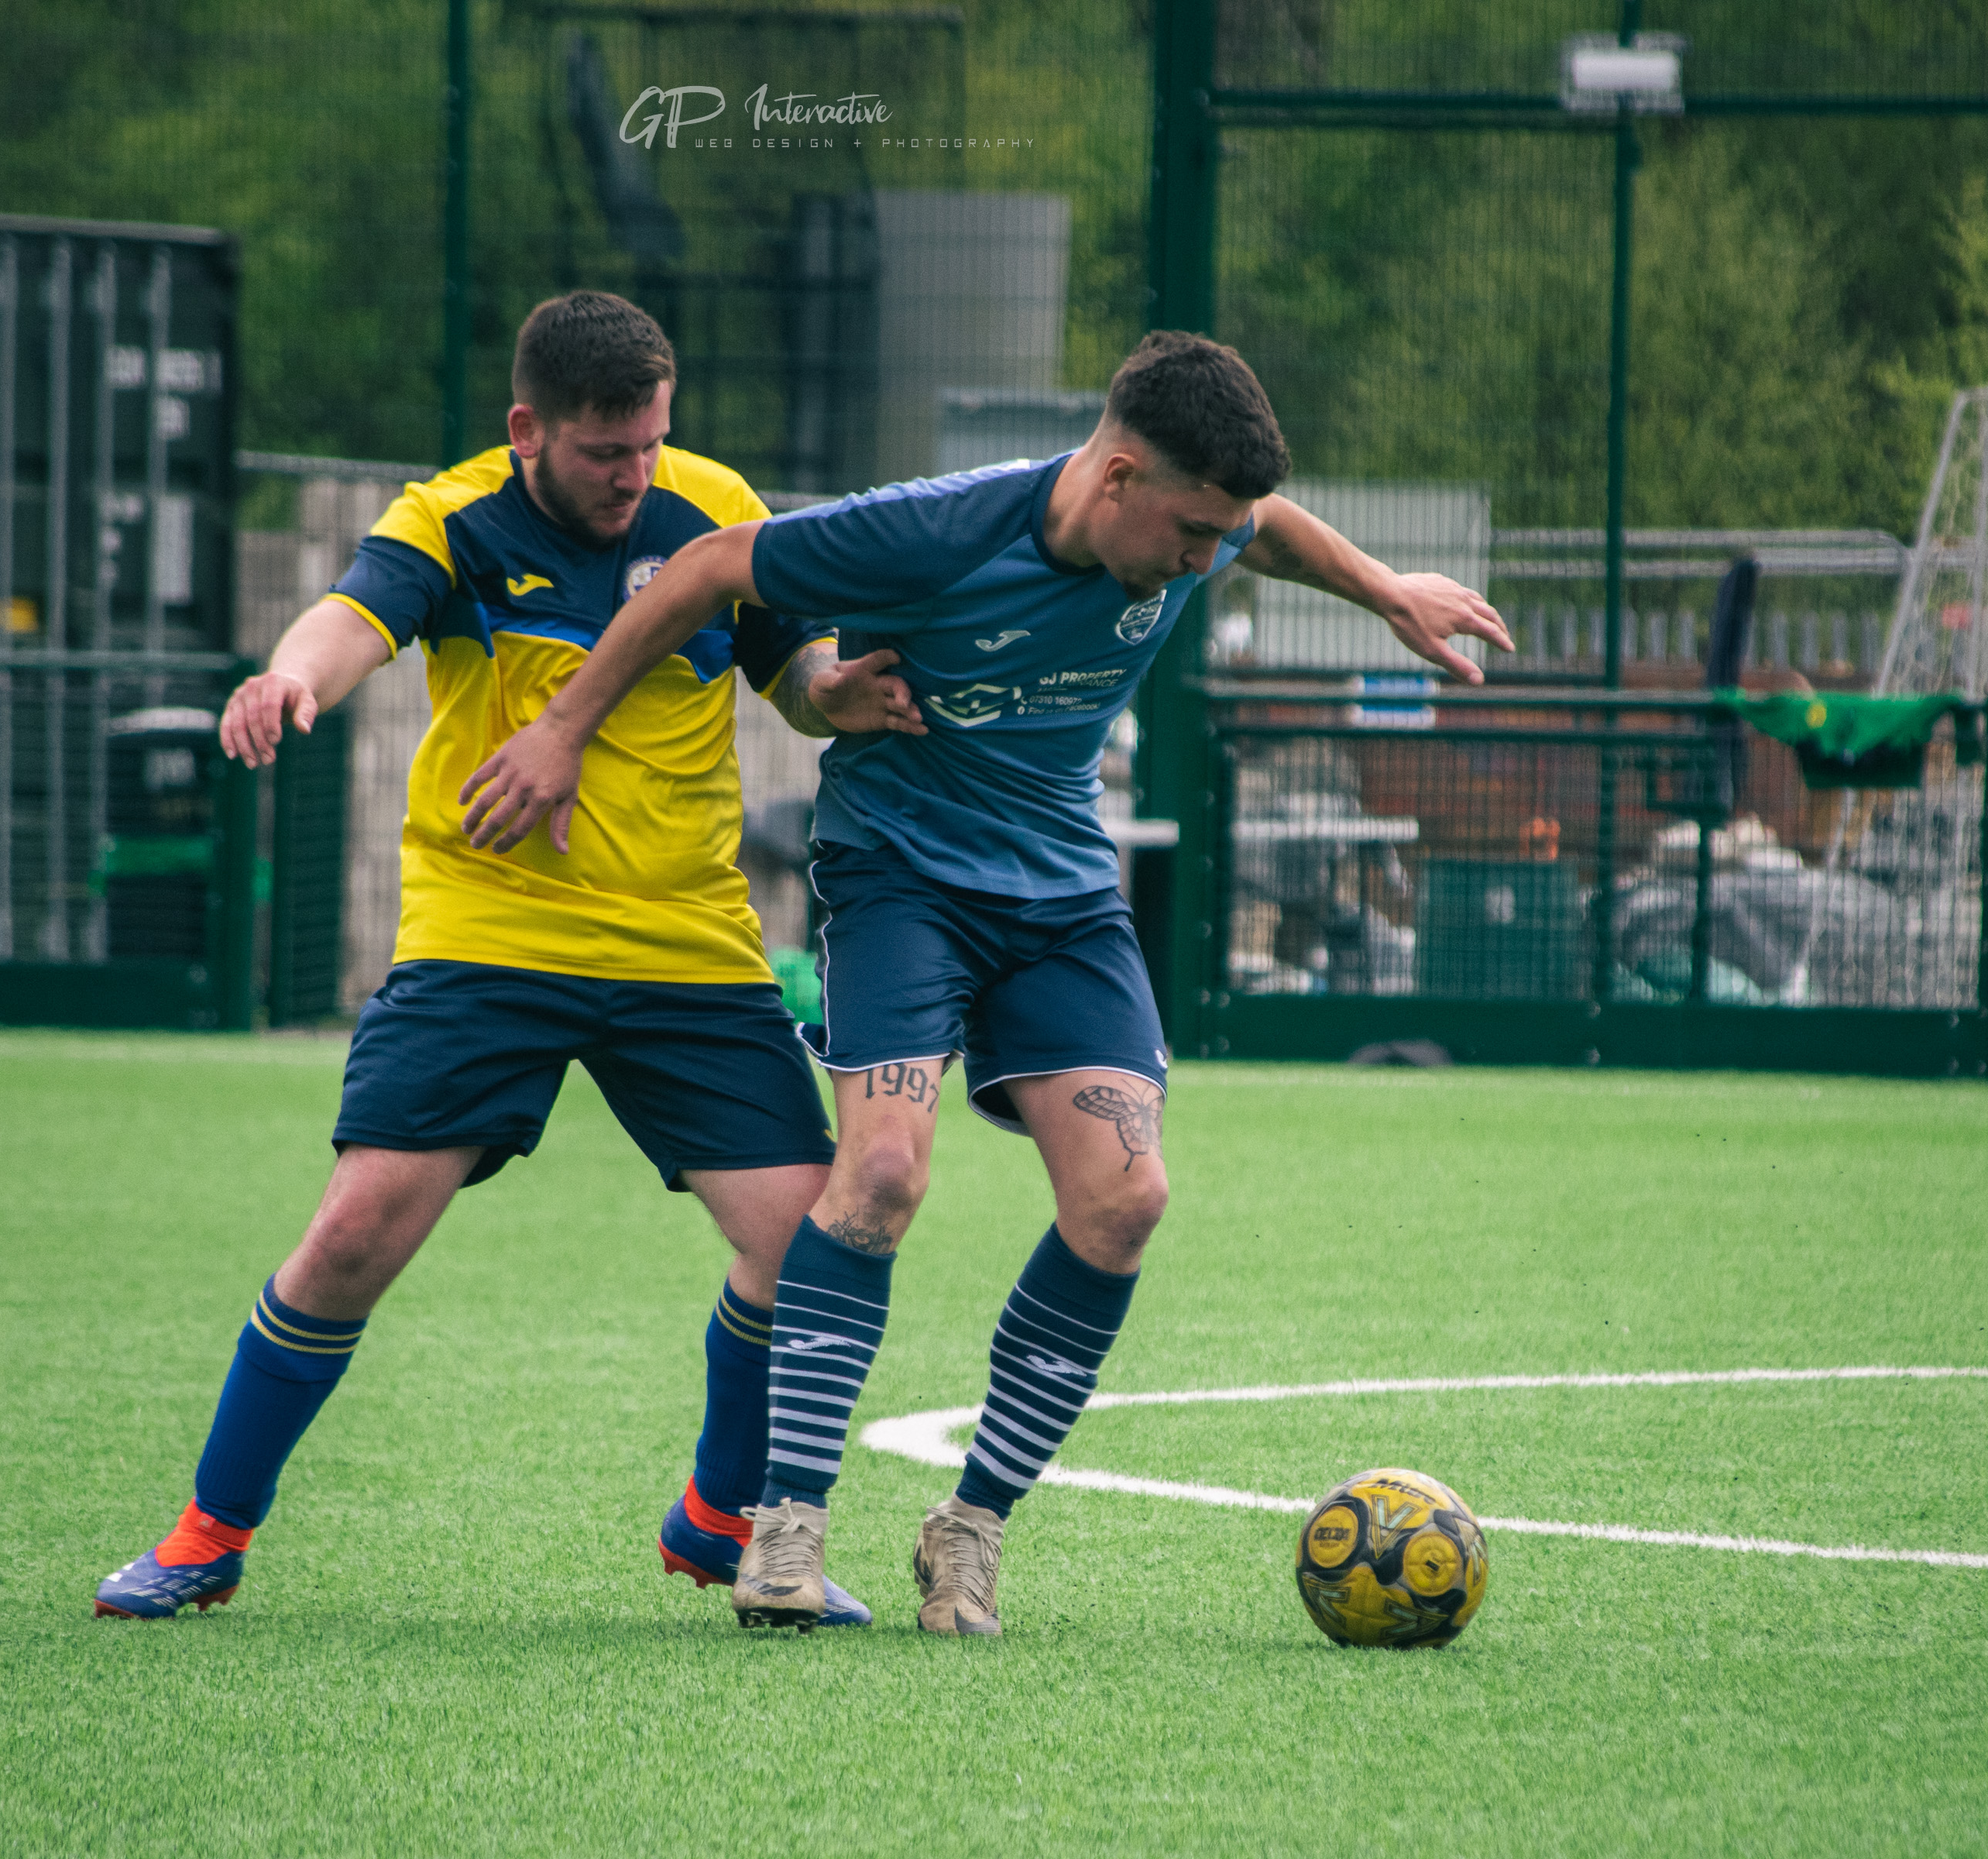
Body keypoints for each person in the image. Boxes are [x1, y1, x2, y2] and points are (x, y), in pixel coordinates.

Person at [459, 330, 1512, 1634]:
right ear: (1116, 476)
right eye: (1189, 532)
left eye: (1217, 535)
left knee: (1127, 1199)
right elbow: (708, 569)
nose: (1205, 561)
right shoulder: (933, 532)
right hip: (899, 873)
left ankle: (971, 1527)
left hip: (1061, 895)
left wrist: (1385, 589)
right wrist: (563, 731)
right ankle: (783, 1532)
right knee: (886, 1173)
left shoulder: (1206, 521)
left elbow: (1270, 525)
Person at [93, 292, 920, 1623]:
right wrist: (291, 678)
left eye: (651, 443)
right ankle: (207, 1533)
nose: (633, 475)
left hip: (685, 945)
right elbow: (355, 614)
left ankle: (716, 1518)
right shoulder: (452, 518)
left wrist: (837, 694)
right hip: (490, 934)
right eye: (605, 451)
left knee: (803, 1244)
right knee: (355, 1234)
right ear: (529, 428)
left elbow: (793, 669)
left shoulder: (712, 506)